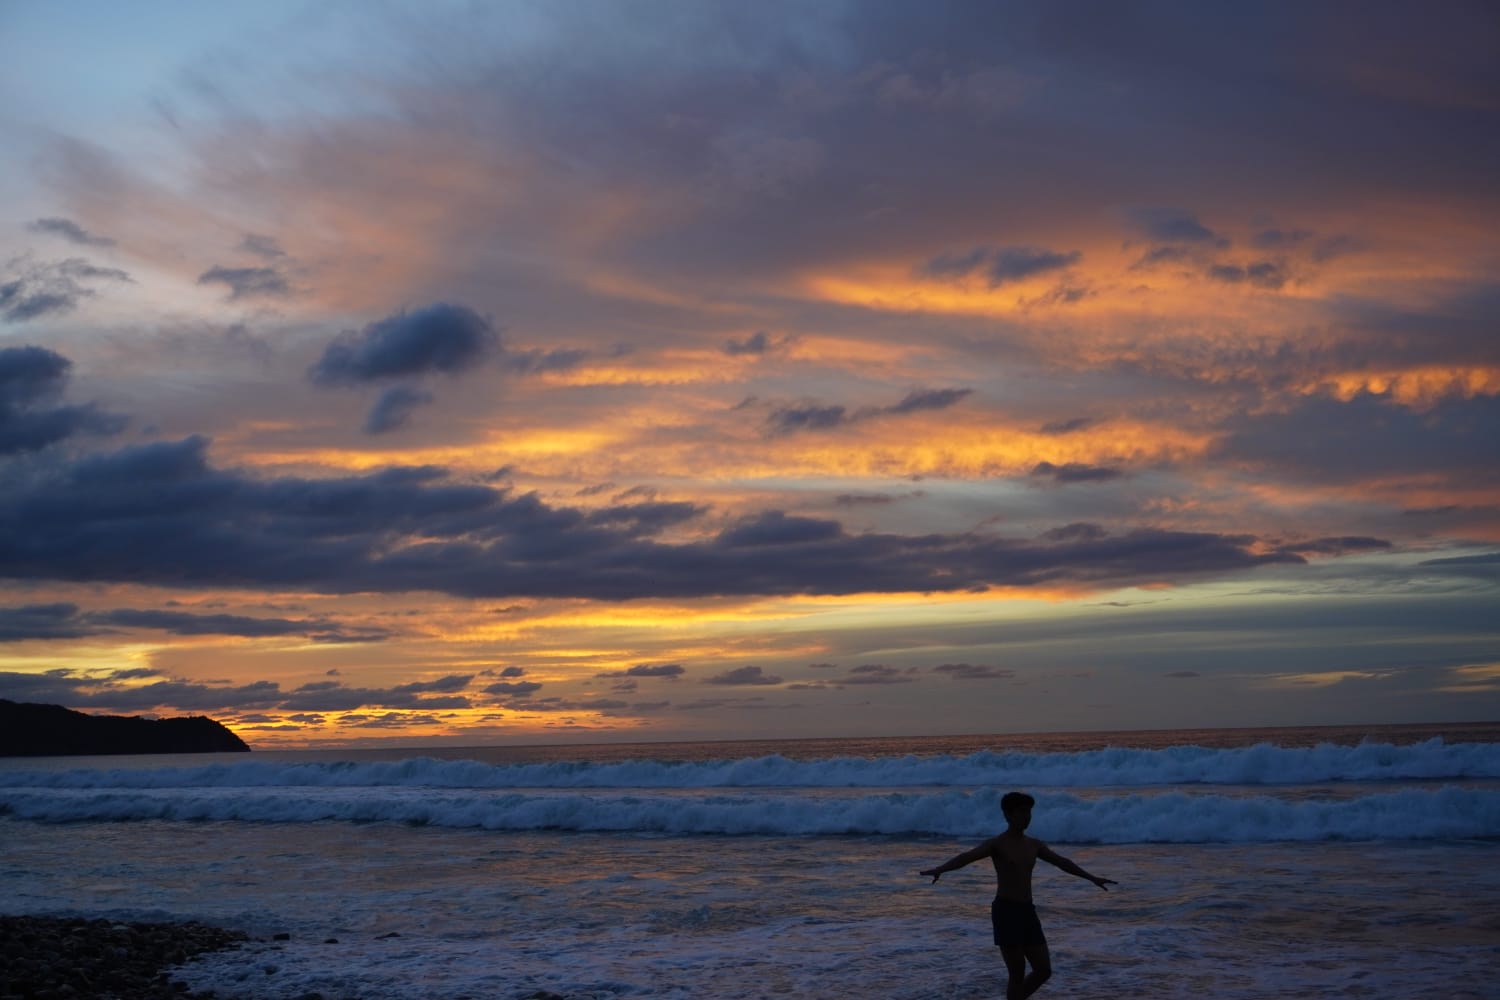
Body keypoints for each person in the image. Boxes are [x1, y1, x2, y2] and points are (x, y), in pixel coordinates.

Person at [920, 791, 1115, 1000]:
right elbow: (966, 857)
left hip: (1027, 912)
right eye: (1022, 812)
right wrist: (941, 869)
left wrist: (1091, 877)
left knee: (1043, 970)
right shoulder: (997, 844)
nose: (1027, 816)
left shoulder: (1034, 844)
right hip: (1006, 911)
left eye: (1029, 812)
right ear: (1008, 815)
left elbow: (1062, 862)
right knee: (1017, 973)